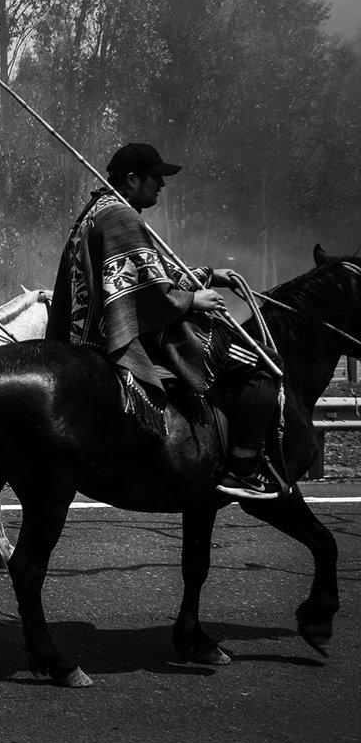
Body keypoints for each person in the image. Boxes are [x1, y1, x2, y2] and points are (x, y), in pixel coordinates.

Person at [45, 143, 283, 501]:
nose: (161, 186)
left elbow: (148, 275)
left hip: (85, 335)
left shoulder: (95, 213)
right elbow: (147, 293)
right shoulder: (122, 218)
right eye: (156, 178)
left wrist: (206, 274)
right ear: (131, 179)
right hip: (119, 337)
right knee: (265, 366)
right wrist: (192, 300)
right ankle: (243, 467)